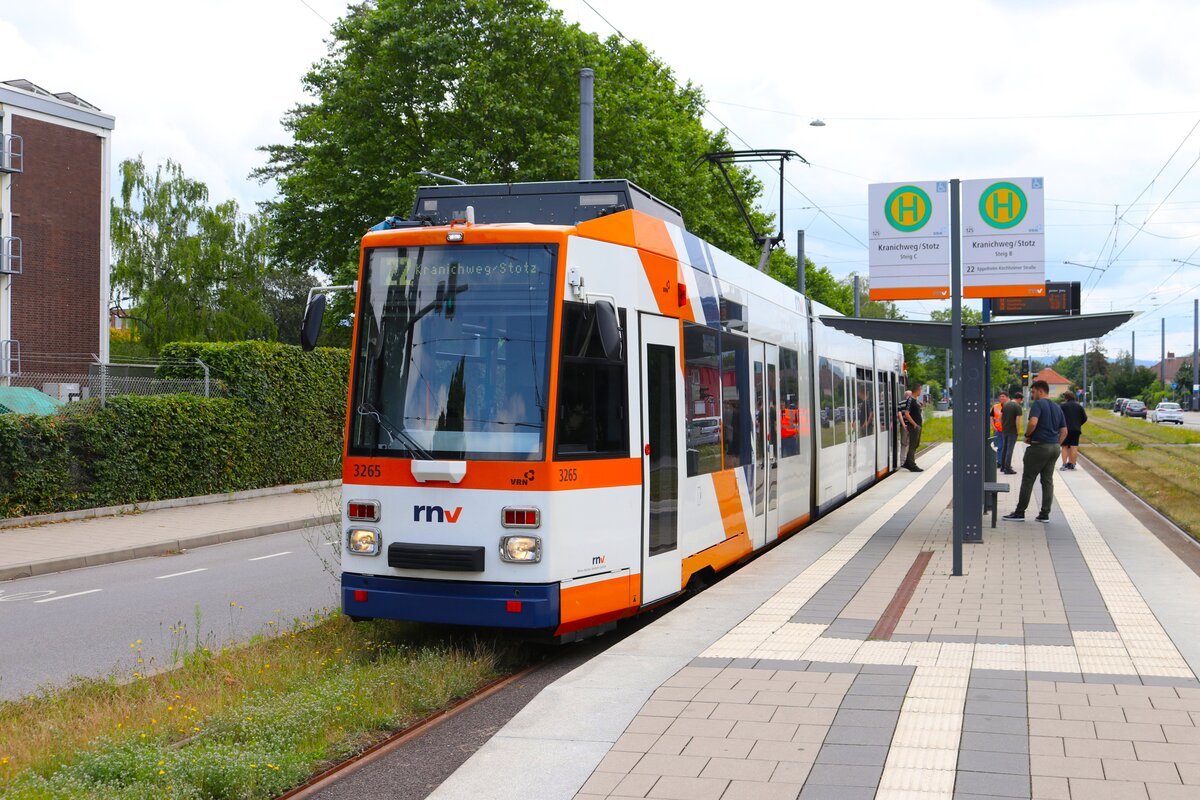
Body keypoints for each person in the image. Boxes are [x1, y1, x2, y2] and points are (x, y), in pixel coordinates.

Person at [1003, 380, 1067, 523]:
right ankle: (1045, 514)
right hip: (1054, 448)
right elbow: (1064, 430)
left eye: (1032, 392)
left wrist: (1027, 435)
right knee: (1047, 481)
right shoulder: (1057, 407)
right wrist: (1057, 444)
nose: (1031, 395)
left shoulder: (1038, 404)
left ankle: (1020, 512)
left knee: (1028, 479)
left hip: (1039, 447)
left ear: (1040, 391)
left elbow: (1033, 422)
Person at [1058, 390, 1088, 470]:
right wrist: (1078, 424)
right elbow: (1085, 418)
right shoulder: (1079, 406)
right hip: (1076, 429)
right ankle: (1072, 464)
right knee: (1074, 446)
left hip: (1065, 429)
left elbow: (1059, 417)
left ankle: (1064, 464)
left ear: (1066, 397)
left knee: (1064, 446)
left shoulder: (1063, 406)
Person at [902, 382, 923, 471]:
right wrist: (914, 424)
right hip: (914, 426)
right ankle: (912, 465)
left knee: (916, 444)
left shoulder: (915, 400)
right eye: (920, 390)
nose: (921, 392)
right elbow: (907, 414)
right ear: (917, 390)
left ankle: (907, 462)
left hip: (917, 426)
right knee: (913, 445)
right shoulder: (910, 400)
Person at [1000, 391, 1022, 474]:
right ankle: (1007, 468)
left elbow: (1001, 416)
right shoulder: (1017, 406)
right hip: (1012, 431)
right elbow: (1018, 420)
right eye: (1021, 400)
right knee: (1010, 449)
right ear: (1019, 399)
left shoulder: (1005, 404)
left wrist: (1003, 425)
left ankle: (1002, 466)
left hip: (1005, 430)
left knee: (1004, 448)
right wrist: (1018, 430)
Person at [991, 391, 1009, 468]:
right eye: (1000, 396)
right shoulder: (995, 407)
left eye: (1003, 396)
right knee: (1000, 447)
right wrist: (993, 427)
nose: (1001, 398)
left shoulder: (1009, 406)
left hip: (1007, 430)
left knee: (1007, 447)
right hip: (998, 430)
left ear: (1007, 397)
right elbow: (991, 418)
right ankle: (999, 462)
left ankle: (1006, 463)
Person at [897, 389, 912, 454]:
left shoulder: (900, 403)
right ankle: (909, 459)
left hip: (904, 426)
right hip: (911, 425)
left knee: (903, 444)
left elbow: (899, 415)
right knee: (910, 443)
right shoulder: (913, 403)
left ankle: (902, 461)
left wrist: (903, 424)